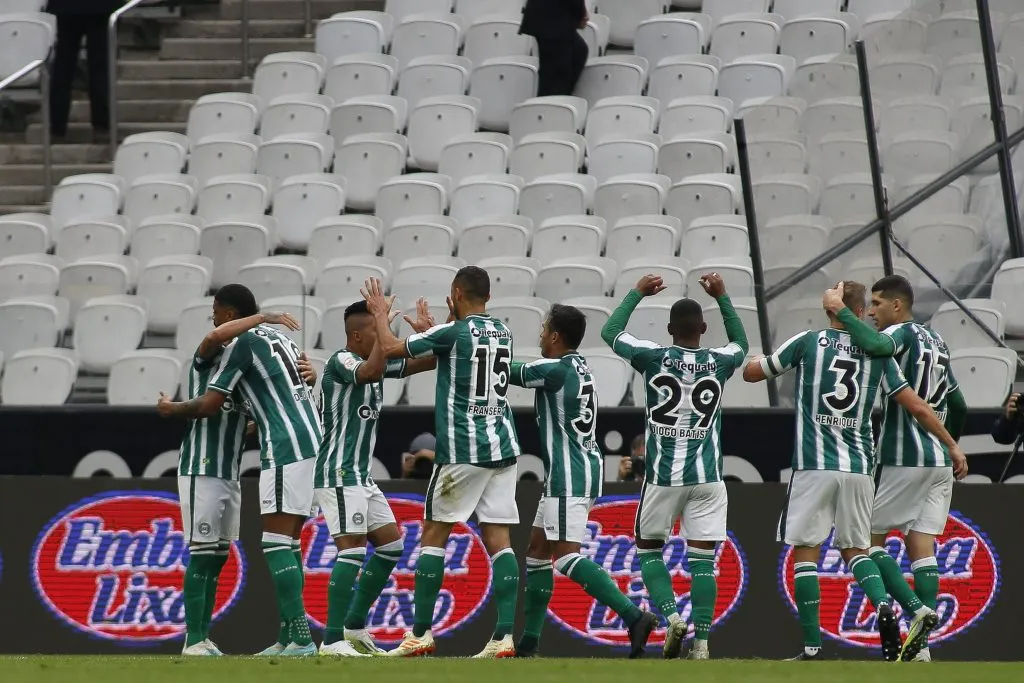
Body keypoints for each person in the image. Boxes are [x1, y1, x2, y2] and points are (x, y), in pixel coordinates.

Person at [742, 281, 968, 662]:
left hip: (814, 465)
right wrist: (951, 442)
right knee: (858, 549)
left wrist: (744, 359)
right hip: (861, 468)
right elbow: (918, 406)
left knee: (805, 553)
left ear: (830, 308)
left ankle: (812, 647)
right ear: (862, 312)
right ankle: (888, 605)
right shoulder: (877, 355)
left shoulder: (807, 342)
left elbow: (754, 374)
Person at [361, 269, 523, 658]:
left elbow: (391, 348)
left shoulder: (453, 333)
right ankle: (503, 637)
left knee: (434, 535)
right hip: (503, 445)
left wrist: (381, 314)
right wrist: (439, 327)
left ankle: (420, 633)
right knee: (500, 542)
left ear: (455, 293)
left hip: (463, 449)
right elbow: (463, 349)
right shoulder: (503, 332)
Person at [157, 284, 323, 657]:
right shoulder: (209, 359)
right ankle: (196, 640)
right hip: (203, 466)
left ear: (229, 314)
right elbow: (213, 347)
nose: (213, 320)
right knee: (209, 553)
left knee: (248, 548)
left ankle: (294, 638)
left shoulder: (243, 351)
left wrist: (308, 374)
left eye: (215, 312)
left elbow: (227, 408)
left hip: (250, 461)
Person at [601, 272, 748, 660]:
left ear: (669, 330)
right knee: (702, 563)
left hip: (664, 475)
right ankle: (701, 643)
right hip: (708, 478)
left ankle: (671, 617)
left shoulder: (653, 356)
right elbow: (742, 344)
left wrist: (635, 293)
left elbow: (610, 331)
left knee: (649, 550)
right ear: (702, 328)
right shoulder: (719, 360)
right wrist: (722, 296)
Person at [822, 276, 969, 662]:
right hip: (938, 461)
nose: (870, 312)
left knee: (865, 541)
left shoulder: (901, 333)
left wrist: (841, 312)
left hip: (904, 457)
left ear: (897, 306)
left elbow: (875, 345)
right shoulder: (937, 341)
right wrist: (950, 444)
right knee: (922, 547)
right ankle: (922, 651)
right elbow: (960, 405)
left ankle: (917, 610)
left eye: (876, 304)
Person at [511, 304, 657, 659]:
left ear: (557, 336)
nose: (541, 335)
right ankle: (529, 644)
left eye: (544, 329)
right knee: (536, 551)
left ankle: (634, 615)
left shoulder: (555, 371)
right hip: (578, 470)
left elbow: (504, 370)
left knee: (564, 558)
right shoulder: (580, 368)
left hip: (568, 476)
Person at [314, 298, 438, 657]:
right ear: (355, 335)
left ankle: (353, 626)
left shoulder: (378, 362)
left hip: (360, 476)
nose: (384, 334)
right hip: (338, 472)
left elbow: (427, 362)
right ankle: (332, 640)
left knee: (390, 546)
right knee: (351, 550)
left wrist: (428, 335)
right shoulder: (342, 361)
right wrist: (386, 326)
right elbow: (368, 372)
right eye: (375, 328)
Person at [47, 0, 121, 142]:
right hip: (100, 7)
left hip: (67, 7)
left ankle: (57, 127)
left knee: (63, 65)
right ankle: (102, 126)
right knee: (99, 66)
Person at [519, 0, 590, 97]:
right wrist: (580, 15)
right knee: (556, 76)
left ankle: (560, 99)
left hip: (552, 16)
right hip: (553, 19)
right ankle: (552, 104)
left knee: (578, 51)